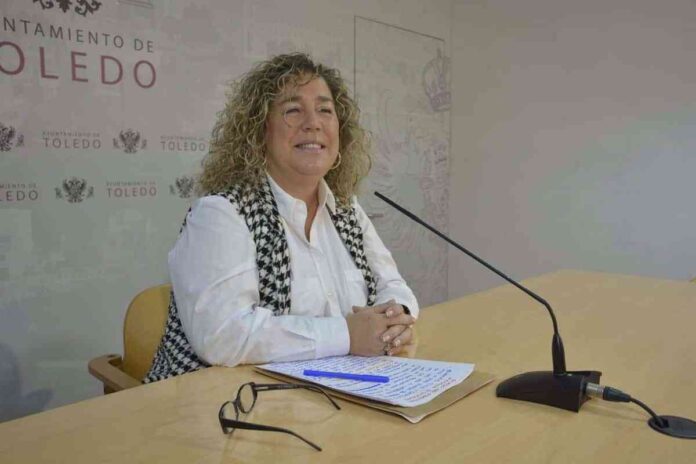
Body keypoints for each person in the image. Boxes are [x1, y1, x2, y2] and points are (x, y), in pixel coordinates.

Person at [145, 53, 419, 383]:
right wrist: (347, 334)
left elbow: (393, 285)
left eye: (325, 110)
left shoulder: (348, 209)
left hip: (336, 393)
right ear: (259, 129)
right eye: (293, 110)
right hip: (226, 402)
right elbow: (221, 337)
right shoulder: (222, 213)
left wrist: (395, 319)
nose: (313, 123)